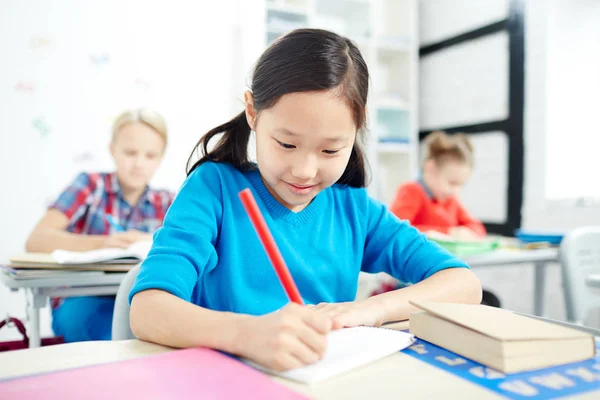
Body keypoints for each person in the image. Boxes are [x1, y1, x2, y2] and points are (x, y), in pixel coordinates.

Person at [129, 29, 482, 372]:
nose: (304, 170)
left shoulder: (354, 210)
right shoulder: (214, 189)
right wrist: (246, 335)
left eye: (330, 149)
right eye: (286, 144)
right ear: (253, 112)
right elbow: (148, 310)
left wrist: (367, 311)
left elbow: (463, 284)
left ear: (356, 131)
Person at [26, 108, 175, 342]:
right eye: (130, 152)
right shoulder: (89, 185)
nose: (138, 163)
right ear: (112, 150)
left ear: (160, 158)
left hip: (136, 299)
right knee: (116, 339)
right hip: (78, 298)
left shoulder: (167, 200)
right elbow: (37, 240)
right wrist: (104, 243)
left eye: (150, 156)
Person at [389, 131, 486, 241]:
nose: (456, 190)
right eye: (452, 183)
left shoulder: (450, 199)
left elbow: (478, 228)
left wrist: (468, 233)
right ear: (430, 168)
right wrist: (449, 233)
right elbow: (396, 230)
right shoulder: (411, 191)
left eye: (461, 185)